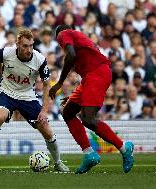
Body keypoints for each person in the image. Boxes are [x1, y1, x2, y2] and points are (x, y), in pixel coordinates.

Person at [0, 29, 69, 172]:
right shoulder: (7, 53)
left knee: (47, 131)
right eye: (25, 46)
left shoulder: (40, 59)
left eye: (31, 45)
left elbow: (46, 85)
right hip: (7, 92)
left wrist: (44, 111)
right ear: (18, 44)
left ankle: (57, 162)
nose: (29, 49)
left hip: (27, 97)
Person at [49, 25, 134, 174]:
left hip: (96, 75)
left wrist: (59, 83)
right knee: (68, 112)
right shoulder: (81, 39)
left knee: (88, 119)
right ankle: (89, 154)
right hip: (90, 78)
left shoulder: (64, 33)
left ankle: (124, 148)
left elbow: (71, 55)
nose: (61, 44)